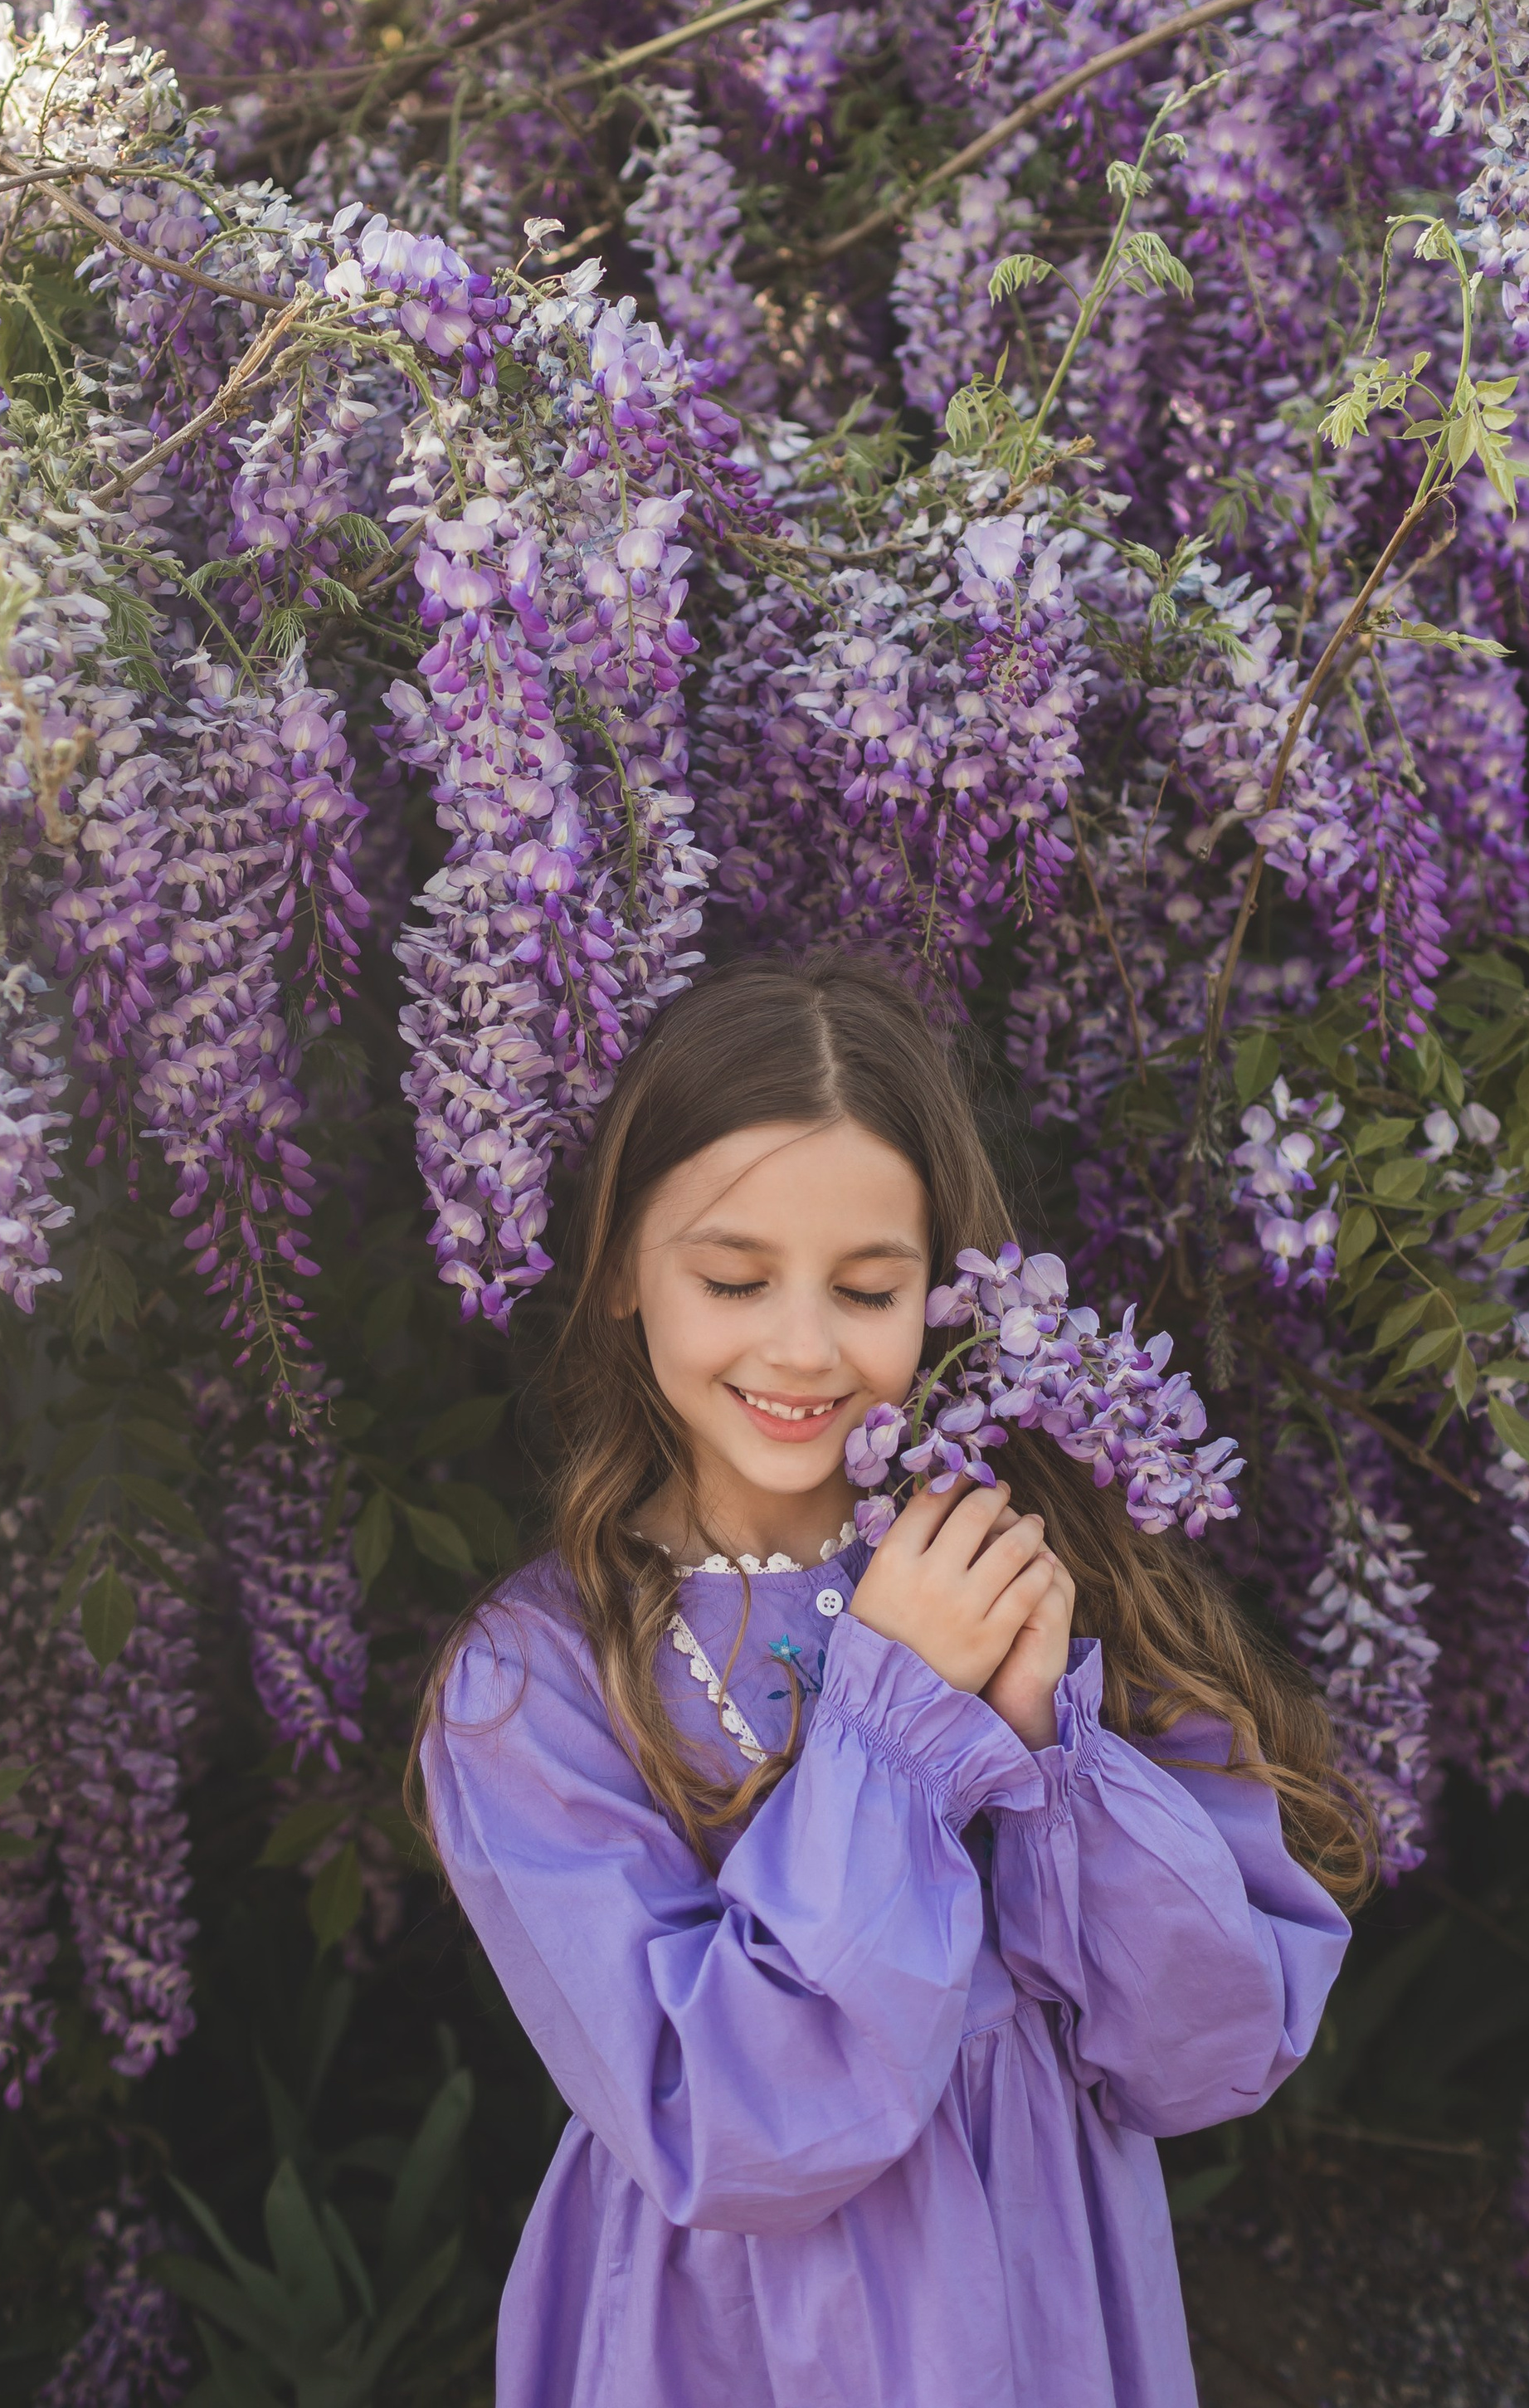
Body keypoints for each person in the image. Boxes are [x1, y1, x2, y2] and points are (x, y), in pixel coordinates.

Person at [413, 953, 1363, 2408]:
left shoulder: (1029, 1571)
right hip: (730, 2339)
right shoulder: (528, 1683)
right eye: (734, 1278)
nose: (803, 1345)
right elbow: (733, 2122)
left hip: (1036, 2302)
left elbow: (1209, 2051)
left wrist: (1047, 1756)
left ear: (948, 1288)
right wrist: (901, 1726)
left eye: (869, 1287)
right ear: (617, 1270)